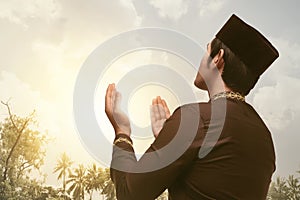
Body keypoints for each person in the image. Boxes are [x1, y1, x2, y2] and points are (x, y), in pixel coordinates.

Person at [105, 14, 279, 200]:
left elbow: (130, 194)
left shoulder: (195, 118)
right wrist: (170, 138)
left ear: (218, 58)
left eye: (207, 51)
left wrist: (122, 133)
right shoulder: (264, 136)